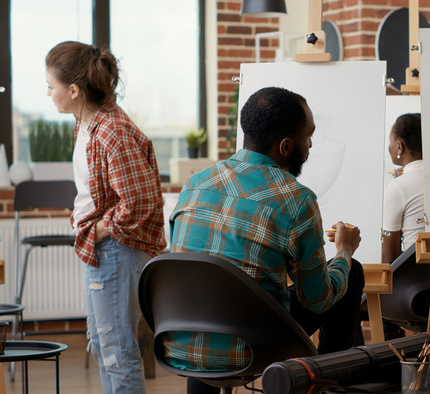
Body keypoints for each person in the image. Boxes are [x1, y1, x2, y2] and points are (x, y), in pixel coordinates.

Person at [165, 86, 366, 394]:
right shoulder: (297, 200)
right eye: (308, 137)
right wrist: (344, 251)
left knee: (210, 300)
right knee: (351, 273)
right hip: (253, 348)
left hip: (179, 344)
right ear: (286, 146)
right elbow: (317, 300)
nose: (311, 145)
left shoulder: (195, 185)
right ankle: (327, 386)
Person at [46, 41, 166, 394]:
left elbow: (140, 199)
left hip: (116, 249)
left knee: (117, 351)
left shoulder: (111, 129)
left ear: (73, 90)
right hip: (102, 248)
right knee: (102, 346)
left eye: (51, 87)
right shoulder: (84, 124)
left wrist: (100, 228)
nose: (49, 93)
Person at [382, 113, 424, 264]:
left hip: (418, 283)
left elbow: (388, 258)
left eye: (390, 141)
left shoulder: (398, 187)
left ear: (399, 146)